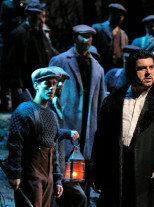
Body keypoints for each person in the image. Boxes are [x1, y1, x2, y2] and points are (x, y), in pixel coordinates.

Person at [91, 50, 154, 207]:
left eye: (151, 67)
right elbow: (101, 139)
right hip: (118, 169)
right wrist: (96, 172)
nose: (148, 72)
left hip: (149, 172)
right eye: (142, 68)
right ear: (130, 71)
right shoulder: (112, 100)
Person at [49, 24, 106, 205]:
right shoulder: (59, 60)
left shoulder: (97, 68)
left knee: (84, 180)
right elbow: (49, 97)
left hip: (87, 131)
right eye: (83, 36)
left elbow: (100, 102)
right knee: (63, 180)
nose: (87, 40)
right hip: (66, 125)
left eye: (90, 37)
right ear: (74, 38)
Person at [6, 68, 63, 207]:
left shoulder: (52, 115)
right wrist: (15, 174)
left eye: (54, 84)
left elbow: (53, 148)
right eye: (47, 84)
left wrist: (56, 179)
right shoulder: (25, 111)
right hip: (31, 176)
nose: (52, 88)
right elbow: (15, 144)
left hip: (48, 177)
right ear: (36, 85)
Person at [2, 1, 59, 110]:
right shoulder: (19, 34)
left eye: (40, 17)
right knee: (25, 114)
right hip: (26, 84)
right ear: (28, 16)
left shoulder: (39, 33)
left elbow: (49, 51)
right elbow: (13, 63)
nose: (39, 20)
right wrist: (17, 85)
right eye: (35, 17)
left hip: (39, 83)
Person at [47, 66, 86, 207]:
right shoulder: (46, 105)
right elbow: (47, 130)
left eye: (62, 82)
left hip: (61, 164)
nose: (59, 85)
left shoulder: (57, 102)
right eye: (57, 81)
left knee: (79, 198)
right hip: (50, 164)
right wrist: (66, 133)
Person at [92, 3, 128, 72]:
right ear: (110, 13)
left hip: (117, 71)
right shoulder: (98, 29)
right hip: (100, 69)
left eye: (122, 15)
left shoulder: (124, 35)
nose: (120, 17)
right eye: (117, 13)